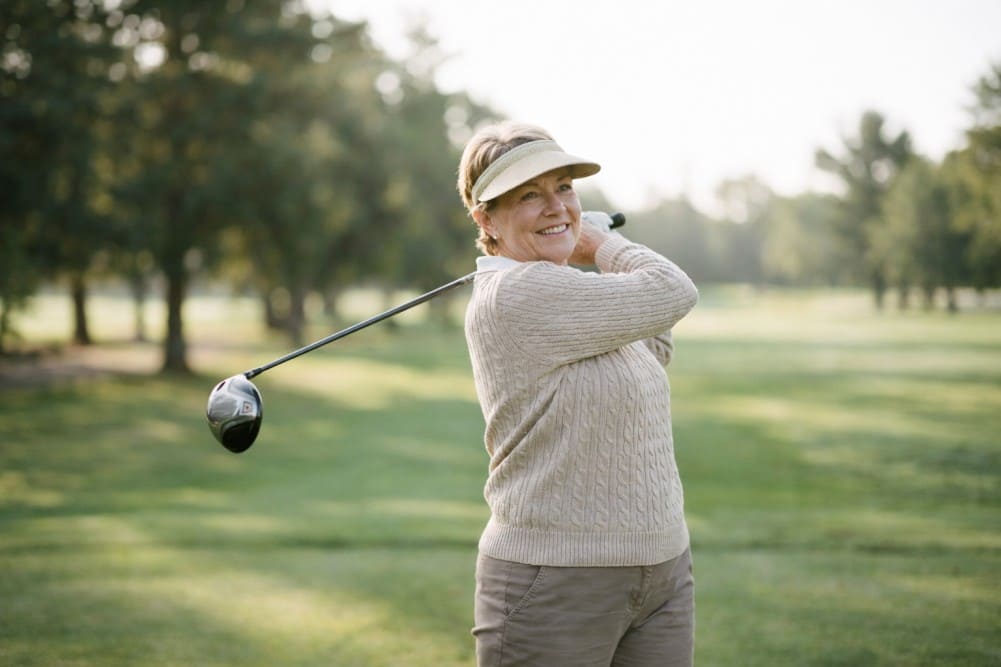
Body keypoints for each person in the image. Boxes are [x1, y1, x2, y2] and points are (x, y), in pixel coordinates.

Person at [457, 120, 700, 667]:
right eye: (528, 196)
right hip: (555, 581)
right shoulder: (516, 292)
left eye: (563, 187)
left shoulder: (568, 294)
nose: (555, 206)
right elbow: (672, 290)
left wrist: (575, 252)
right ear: (486, 219)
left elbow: (653, 347)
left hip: (661, 569)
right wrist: (604, 244)